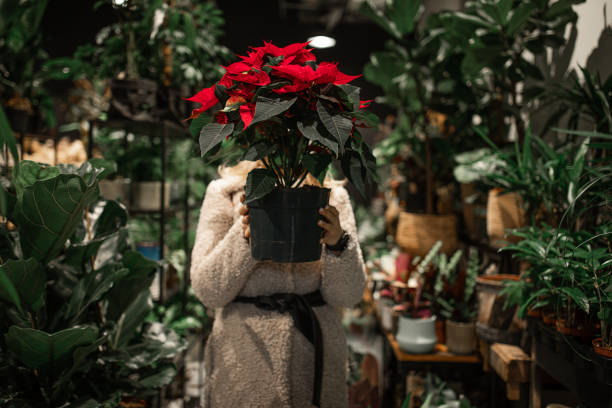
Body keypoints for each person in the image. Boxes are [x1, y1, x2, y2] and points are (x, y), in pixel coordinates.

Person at [191, 160, 366, 407]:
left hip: (315, 356)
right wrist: (244, 236)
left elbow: (348, 296)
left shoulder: (331, 196)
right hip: (243, 359)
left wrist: (338, 244)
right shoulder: (226, 193)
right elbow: (208, 290)